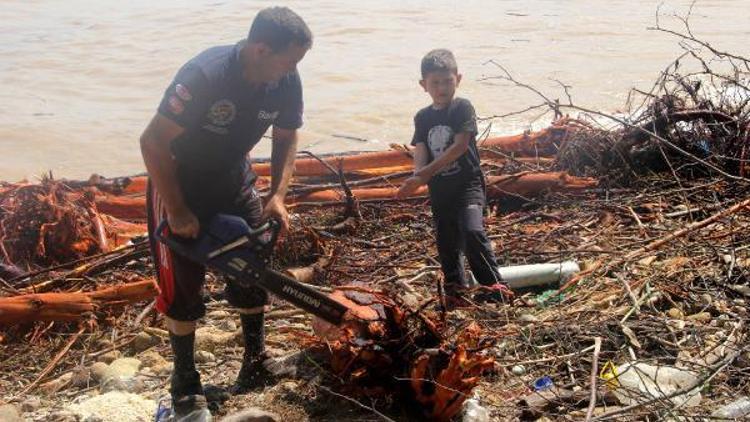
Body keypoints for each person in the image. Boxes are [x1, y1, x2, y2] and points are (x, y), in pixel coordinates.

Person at [139, 7, 311, 420]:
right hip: (179, 183)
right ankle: (185, 384)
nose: (292, 70)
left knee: (254, 266)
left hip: (234, 178)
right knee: (183, 289)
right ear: (260, 49)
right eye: (288, 61)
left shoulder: (285, 79)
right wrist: (178, 210)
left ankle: (255, 362)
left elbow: (287, 135)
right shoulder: (205, 76)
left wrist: (278, 195)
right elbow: (152, 142)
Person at [396, 49, 512, 309]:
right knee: (447, 241)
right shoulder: (423, 117)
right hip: (441, 192)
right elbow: (421, 147)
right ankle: (456, 292)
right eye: (435, 83)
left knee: (472, 231)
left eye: (447, 81)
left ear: (458, 79)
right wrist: (417, 176)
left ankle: (495, 287)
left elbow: (460, 146)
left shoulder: (462, 107)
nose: (442, 88)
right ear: (423, 85)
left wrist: (426, 173)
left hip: (468, 185)